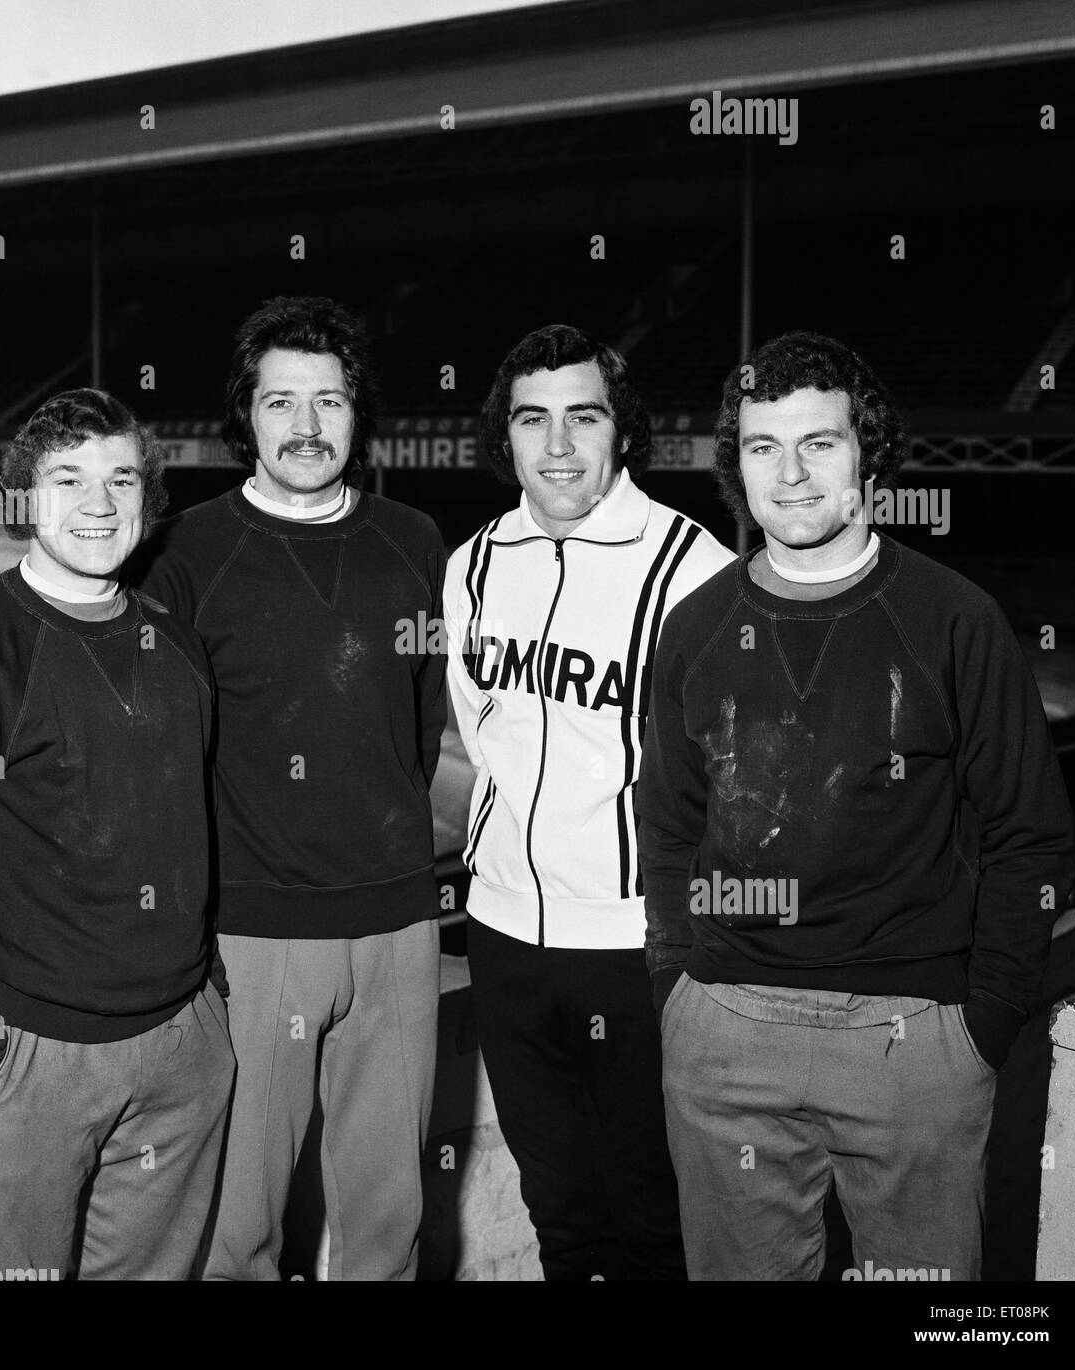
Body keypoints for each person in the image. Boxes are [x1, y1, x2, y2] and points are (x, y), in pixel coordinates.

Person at [636, 331, 1075, 1280]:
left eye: (818, 444)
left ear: (867, 454)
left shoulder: (956, 619)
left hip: (912, 1042)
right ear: (736, 465)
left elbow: (1029, 839)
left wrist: (982, 1025)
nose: (789, 476)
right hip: (726, 1032)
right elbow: (666, 824)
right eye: (763, 448)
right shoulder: (695, 626)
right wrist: (680, 988)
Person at [0, 388, 234, 1280]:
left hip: (182, 1047)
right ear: (21, 497)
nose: (99, 504)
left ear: (149, 503)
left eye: (121, 480)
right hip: (31, 1063)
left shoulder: (178, 646)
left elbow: (193, 826)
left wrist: (209, 1001)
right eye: (68, 479)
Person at [133, 295, 446, 1281]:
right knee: (238, 1233)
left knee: (388, 1228)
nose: (307, 427)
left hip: (399, 926)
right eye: (281, 402)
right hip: (252, 938)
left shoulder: (416, 540)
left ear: (359, 414)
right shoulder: (183, 554)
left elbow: (422, 724)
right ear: (247, 416)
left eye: (331, 400)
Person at [443, 323, 734, 1280]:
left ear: (621, 432)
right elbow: (483, 740)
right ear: (507, 437)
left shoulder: (693, 569)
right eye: (533, 419)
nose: (558, 445)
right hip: (501, 939)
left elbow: (728, 782)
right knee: (560, 1214)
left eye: (583, 417)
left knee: (654, 1220)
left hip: (631, 948)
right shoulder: (475, 564)